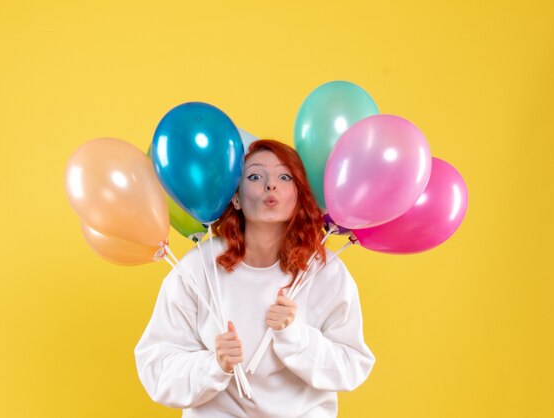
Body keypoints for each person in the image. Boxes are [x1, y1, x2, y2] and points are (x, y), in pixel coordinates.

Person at [135, 139, 375, 417]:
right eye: (255, 176)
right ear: (235, 197)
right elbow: (156, 367)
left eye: (284, 176)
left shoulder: (325, 270)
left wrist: (294, 336)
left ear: (299, 195)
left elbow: (352, 365)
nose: (270, 185)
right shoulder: (198, 267)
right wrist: (216, 365)